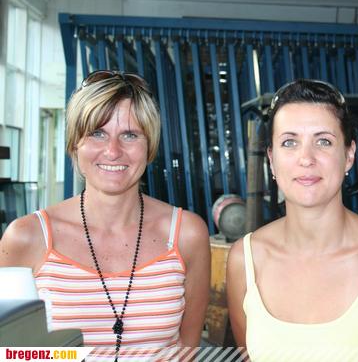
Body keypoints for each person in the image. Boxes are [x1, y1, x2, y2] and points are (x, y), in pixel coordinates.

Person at [0, 71, 211, 360]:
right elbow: (9, 351)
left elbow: (187, 350)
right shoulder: (27, 237)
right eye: (97, 133)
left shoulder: (187, 234)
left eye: (129, 135)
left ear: (149, 146)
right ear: (75, 143)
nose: (113, 151)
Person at [226, 79, 358, 361]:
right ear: (271, 159)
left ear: (349, 155)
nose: (306, 158)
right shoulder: (244, 261)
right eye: (289, 142)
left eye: (323, 141)